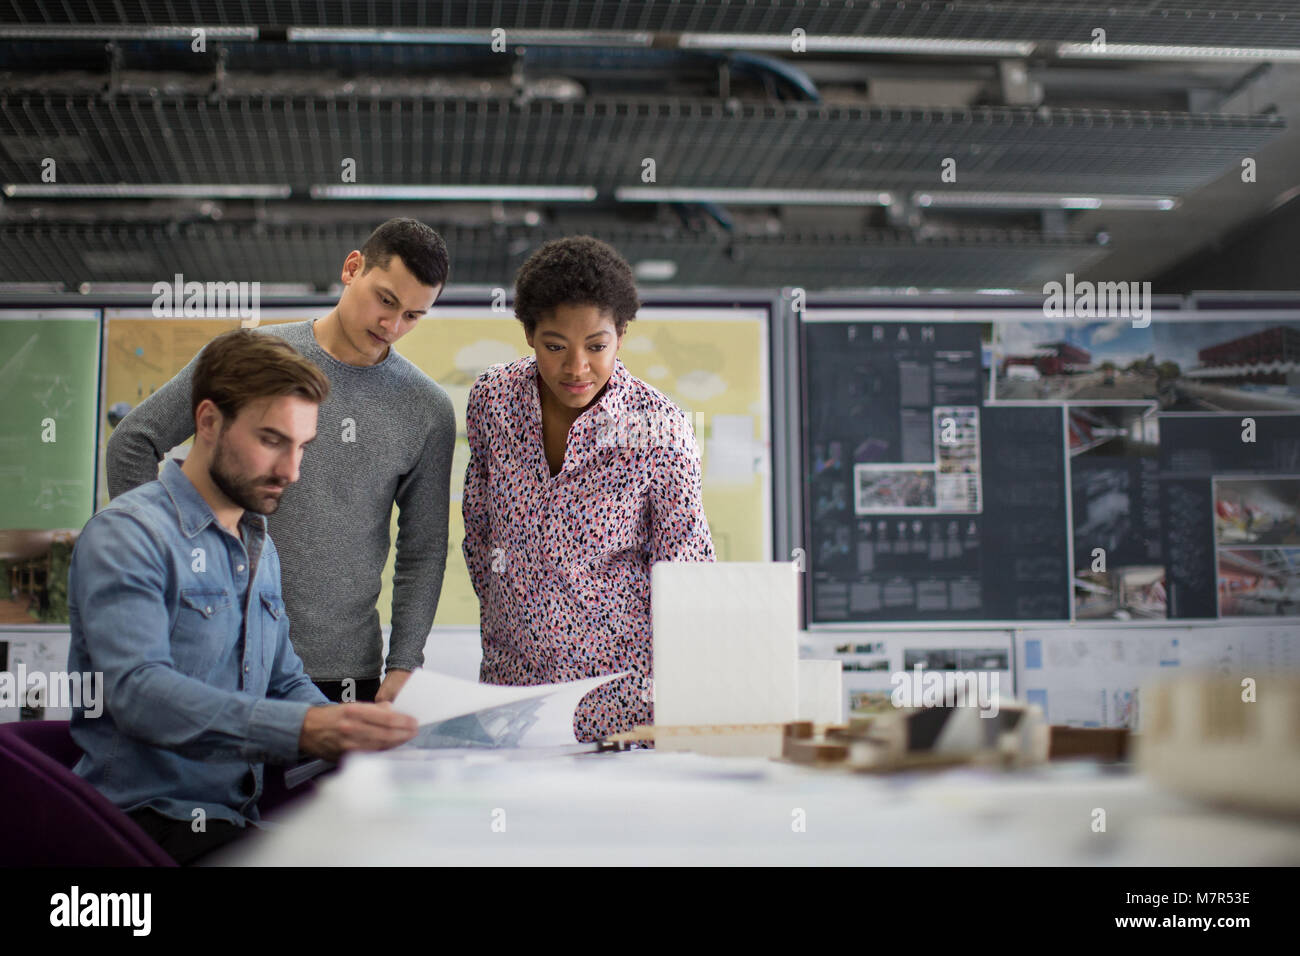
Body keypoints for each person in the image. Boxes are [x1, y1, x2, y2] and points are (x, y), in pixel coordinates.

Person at [69, 330, 418, 865]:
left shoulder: (257, 546)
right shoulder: (128, 535)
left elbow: (284, 680)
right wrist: (308, 728)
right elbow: (139, 694)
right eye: (272, 440)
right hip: (143, 828)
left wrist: (357, 733)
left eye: (301, 447)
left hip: (233, 822)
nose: (291, 472)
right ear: (208, 422)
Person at [106, 218, 455, 704]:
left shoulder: (426, 409)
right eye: (386, 300)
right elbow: (133, 441)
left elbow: (424, 548)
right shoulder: (249, 358)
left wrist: (404, 663)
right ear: (352, 268)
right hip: (224, 653)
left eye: (413, 316)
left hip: (345, 675)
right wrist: (168, 570)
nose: (392, 326)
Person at [462, 236, 715, 742]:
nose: (577, 368)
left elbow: (686, 567)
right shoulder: (493, 399)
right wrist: (511, 613)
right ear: (529, 334)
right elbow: (478, 525)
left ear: (621, 335)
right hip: (515, 691)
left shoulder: (658, 425)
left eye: (596, 346)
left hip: (619, 699)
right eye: (555, 346)